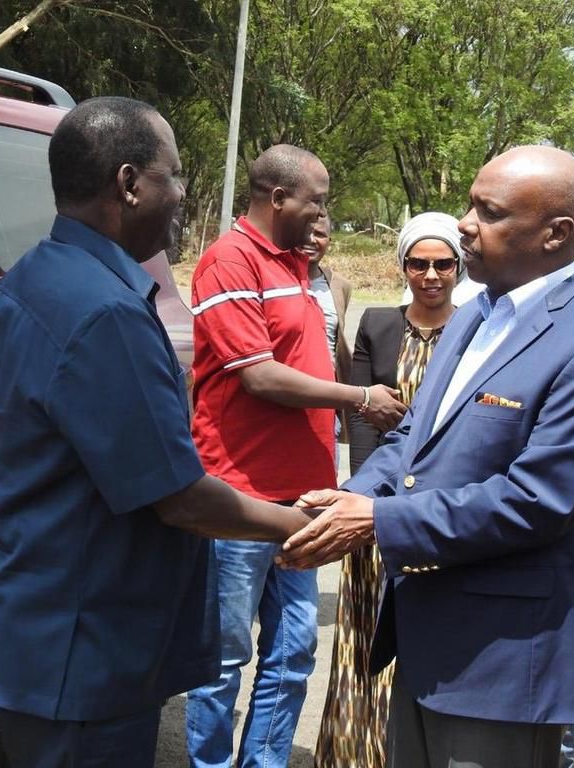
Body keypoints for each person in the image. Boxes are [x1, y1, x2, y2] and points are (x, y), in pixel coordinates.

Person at [0, 97, 317, 768]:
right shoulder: (104, 315)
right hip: (86, 656)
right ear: (128, 183)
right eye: (174, 175)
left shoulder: (22, 284)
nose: (181, 193)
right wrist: (305, 527)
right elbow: (178, 497)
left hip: (30, 634)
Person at [278, 145, 574, 768]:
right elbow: (413, 437)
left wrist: (379, 522)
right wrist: (360, 493)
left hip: (503, 663)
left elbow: (537, 502)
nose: (464, 225)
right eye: (470, 204)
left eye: (489, 212)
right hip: (426, 638)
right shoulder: (477, 314)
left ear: (556, 233)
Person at [186, 144, 406, 768]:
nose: (322, 213)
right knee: (223, 657)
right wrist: (360, 397)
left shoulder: (298, 269)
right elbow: (259, 377)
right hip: (239, 497)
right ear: (277, 197)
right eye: (316, 199)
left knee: (290, 656)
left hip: (305, 496)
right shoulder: (229, 261)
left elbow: (310, 360)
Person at [315, 211, 462, 768]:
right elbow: (357, 416)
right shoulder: (378, 323)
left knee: (420, 636)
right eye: (418, 263)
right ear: (403, 265)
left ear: (457, 267)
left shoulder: (473, 329)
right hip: (372, 503)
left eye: (443, 263)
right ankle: (357, 754)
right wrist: (363, 498)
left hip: (433, 512)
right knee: (363, 632)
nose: (430, 275)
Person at [304, 215, 353, 444]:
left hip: (327, 406)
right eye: (307, 232)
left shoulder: (339, 285)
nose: (312, 240)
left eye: (320, 235)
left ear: (329, 240)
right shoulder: (276, 280)